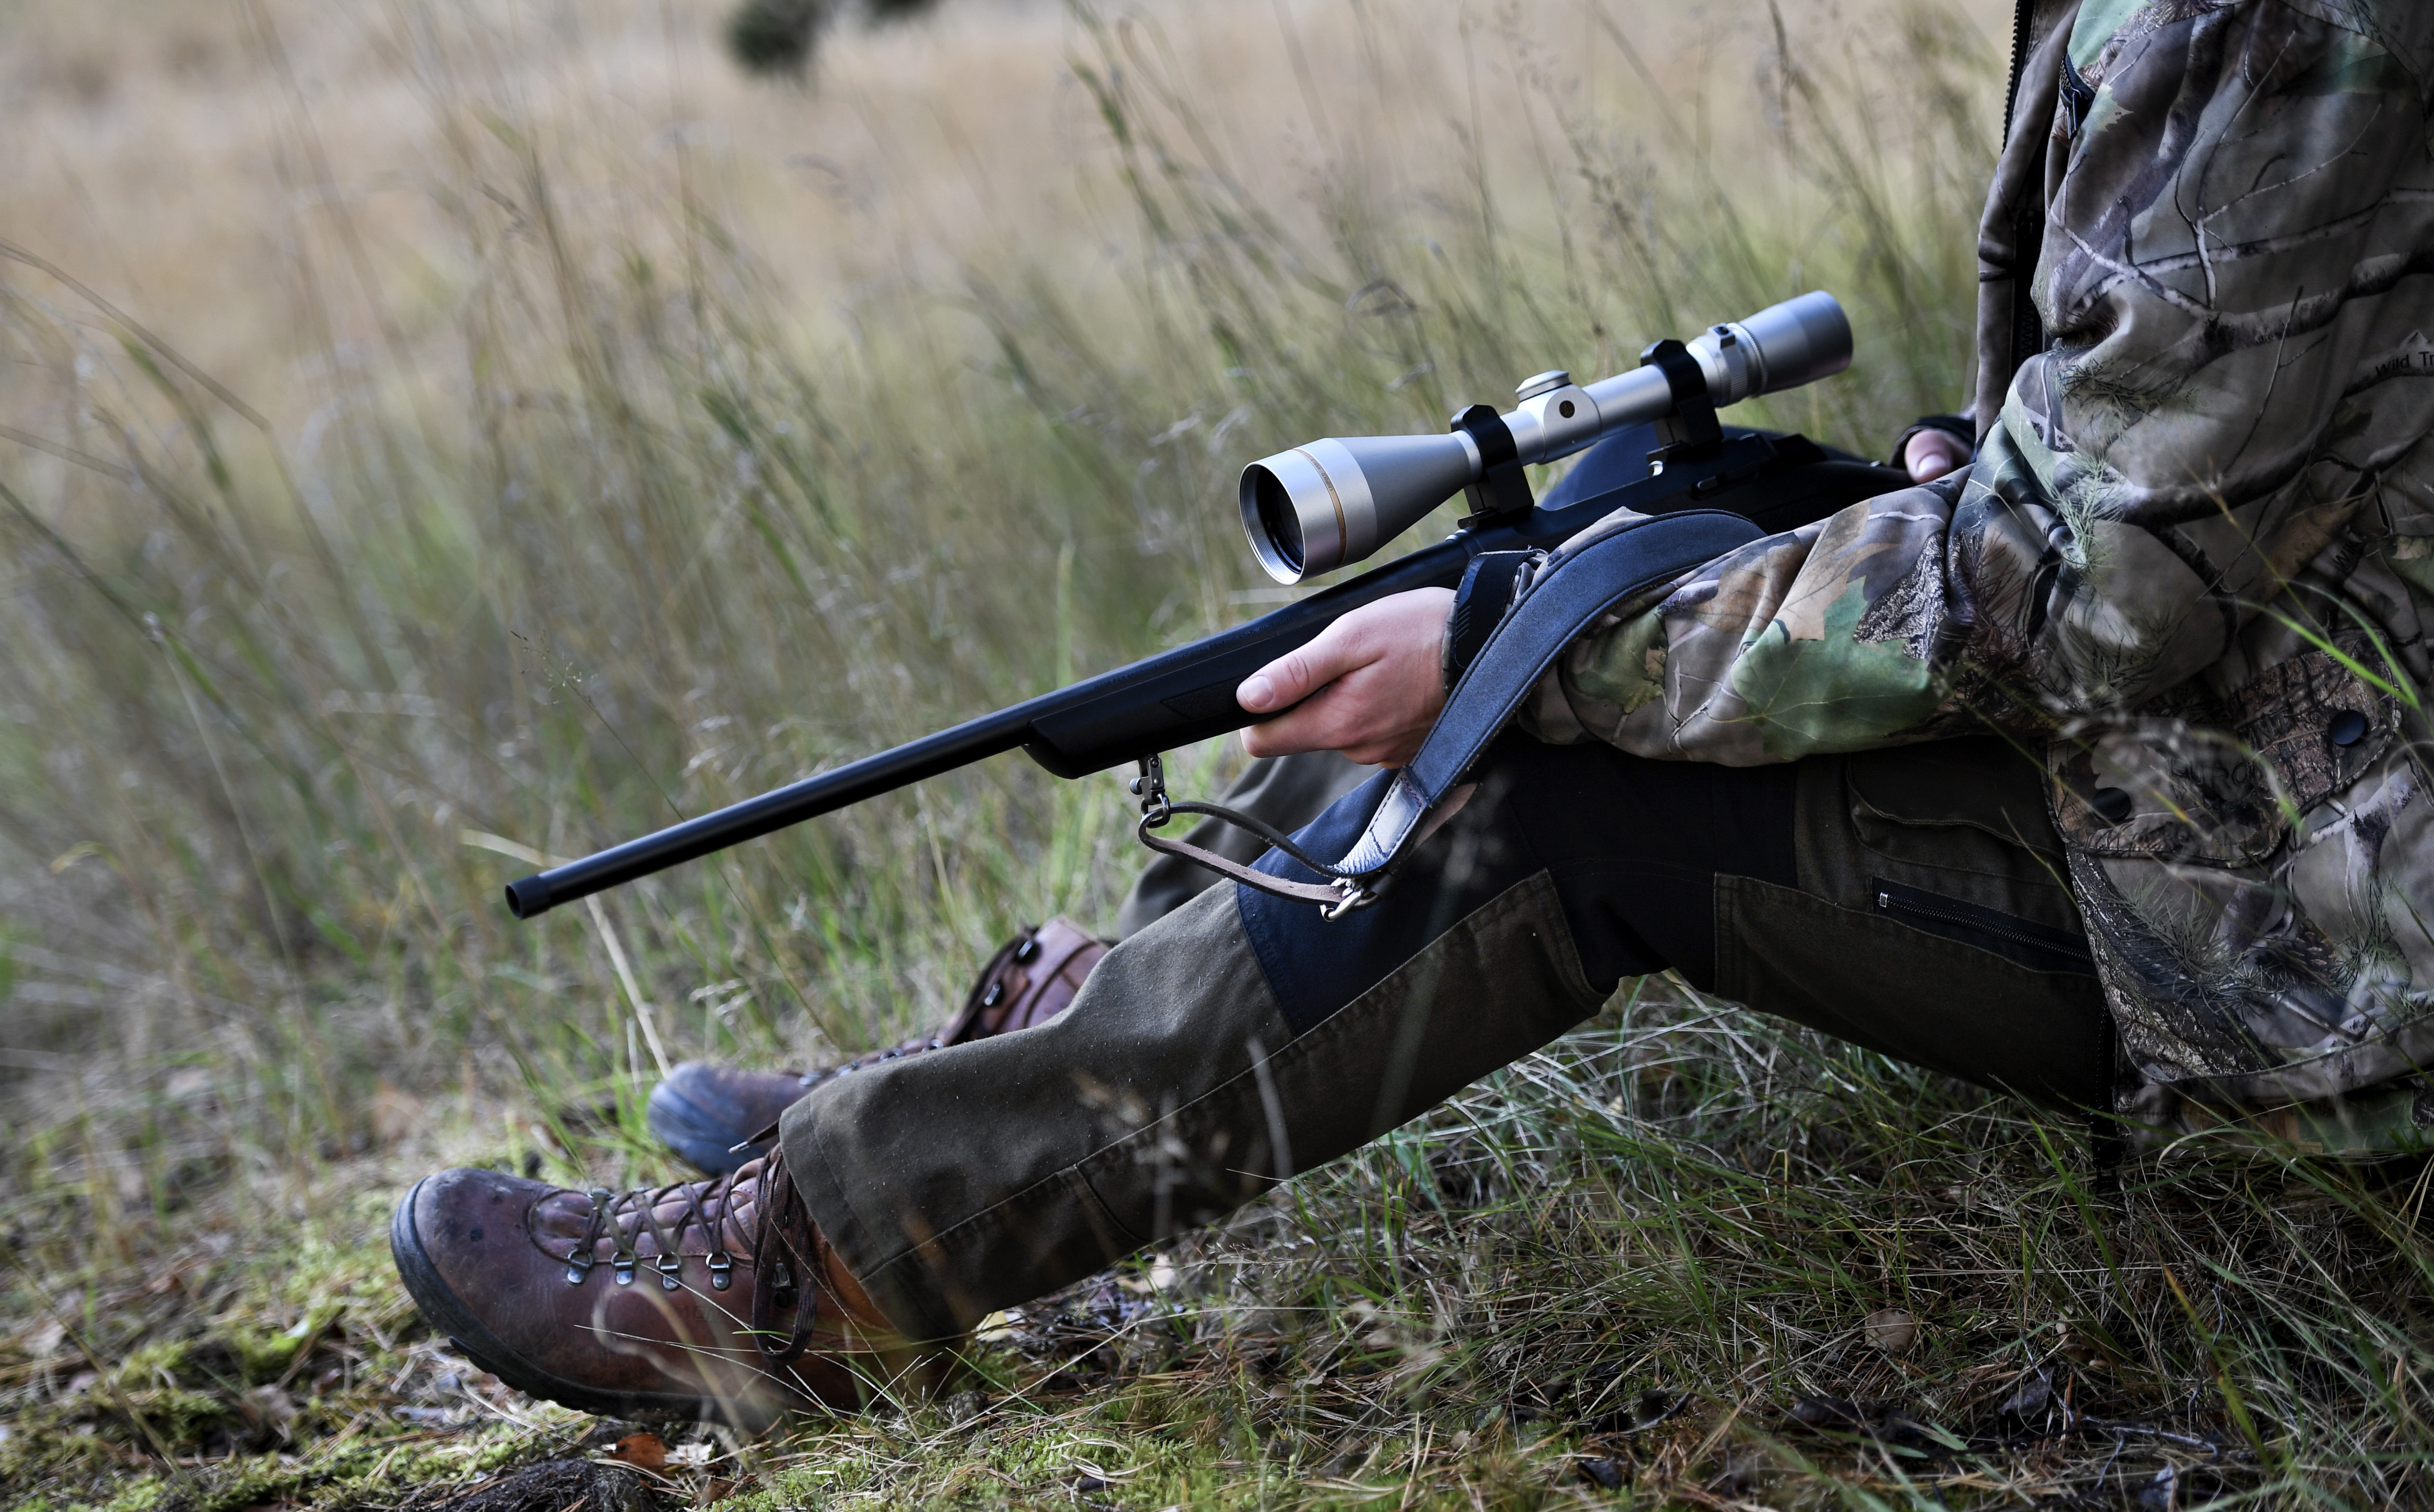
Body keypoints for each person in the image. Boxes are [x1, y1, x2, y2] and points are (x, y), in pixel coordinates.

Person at [390, 0, 2434, 1426]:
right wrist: (1952, 464)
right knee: (1547, 586)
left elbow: (2088, 590)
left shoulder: (2255, 19)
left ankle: (814, 1265)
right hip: (2270, 777)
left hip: (2337, 954)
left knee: (1530, 783)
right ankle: (1025, 1069)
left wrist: (1539, 662)